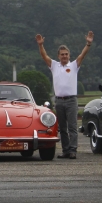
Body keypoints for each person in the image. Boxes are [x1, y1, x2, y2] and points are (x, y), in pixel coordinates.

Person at [36, 31, 94, 159]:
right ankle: (65, 150)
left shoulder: (74, 65)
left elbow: (82, 55)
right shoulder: (54, 65)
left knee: (72, 127)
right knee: (62, 128)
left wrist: (88, 44)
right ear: (58, 56)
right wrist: (40, 45)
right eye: (62, 54)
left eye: (66, 54)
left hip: (71, 100)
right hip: (59, 101)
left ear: (69, 55)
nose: (64, 56)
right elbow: (44, 56)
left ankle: (73, 150)